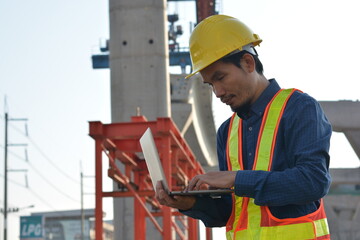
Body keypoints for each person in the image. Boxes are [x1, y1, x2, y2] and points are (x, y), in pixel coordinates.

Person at [155, 14, 331, 240]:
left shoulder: (298, 108)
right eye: (210, 84)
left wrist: (236, 178)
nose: (217, 92)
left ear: (248, 63)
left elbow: (313, 182)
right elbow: (231, 212)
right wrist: (189, 203)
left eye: (221, 77)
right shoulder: (227, 132)